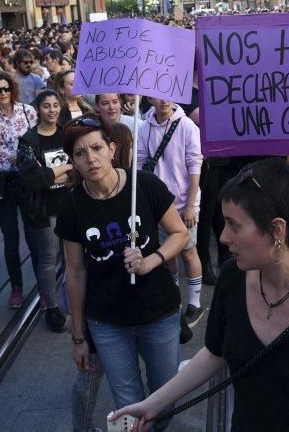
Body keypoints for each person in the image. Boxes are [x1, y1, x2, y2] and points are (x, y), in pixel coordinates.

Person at [110, 158, 289, 432]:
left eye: (234, 225)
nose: (224, 237)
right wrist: (153, 404)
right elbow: (216, 353)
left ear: (276, 230)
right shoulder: (233, 275)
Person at [56, 116, 189, 427]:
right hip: (107, 320)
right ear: (72, 161)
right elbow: (74, 273)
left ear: (112, 149)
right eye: (79, 153)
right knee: (128, 407)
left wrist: (151, 260)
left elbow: (179, 234)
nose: (91, 158)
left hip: (158, 311)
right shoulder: (72, 205)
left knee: (163, 398)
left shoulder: (144, 185)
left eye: (97, 148)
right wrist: (79, 337)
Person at [137, 98, 205, 335]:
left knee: (188, 251)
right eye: (157, 95)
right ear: (149, 98)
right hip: (157, 205)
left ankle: (195, 302)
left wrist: (190, 205)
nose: (163, 100)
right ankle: (173, 295)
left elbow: (195, 165)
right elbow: (140, 163)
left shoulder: (187, 126)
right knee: (166, 254)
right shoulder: (143, 127)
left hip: (183, 204)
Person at [0, 71, 39, 311]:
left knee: (34, 237)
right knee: (10, 238)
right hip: (1, 182)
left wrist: (23, 155)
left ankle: (43, 288)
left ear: (12, 88)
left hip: (25, 179)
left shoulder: (27, 111)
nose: (2, 93)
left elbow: (36, 141)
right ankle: (16, 287)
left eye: (5, 89)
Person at [16, 89, 72, 331]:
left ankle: (74, 300)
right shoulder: (28, 140)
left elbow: (78, 167)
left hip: (69, 204)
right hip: (44, 208)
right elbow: (34, 179)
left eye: (55, 105)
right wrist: (65, 166)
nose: (52, 110)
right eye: (47, 106)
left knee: (72, 256)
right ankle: (52, 307)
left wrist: (51, 173)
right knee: (49, 257)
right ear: (38, 109)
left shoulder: (67, 135)